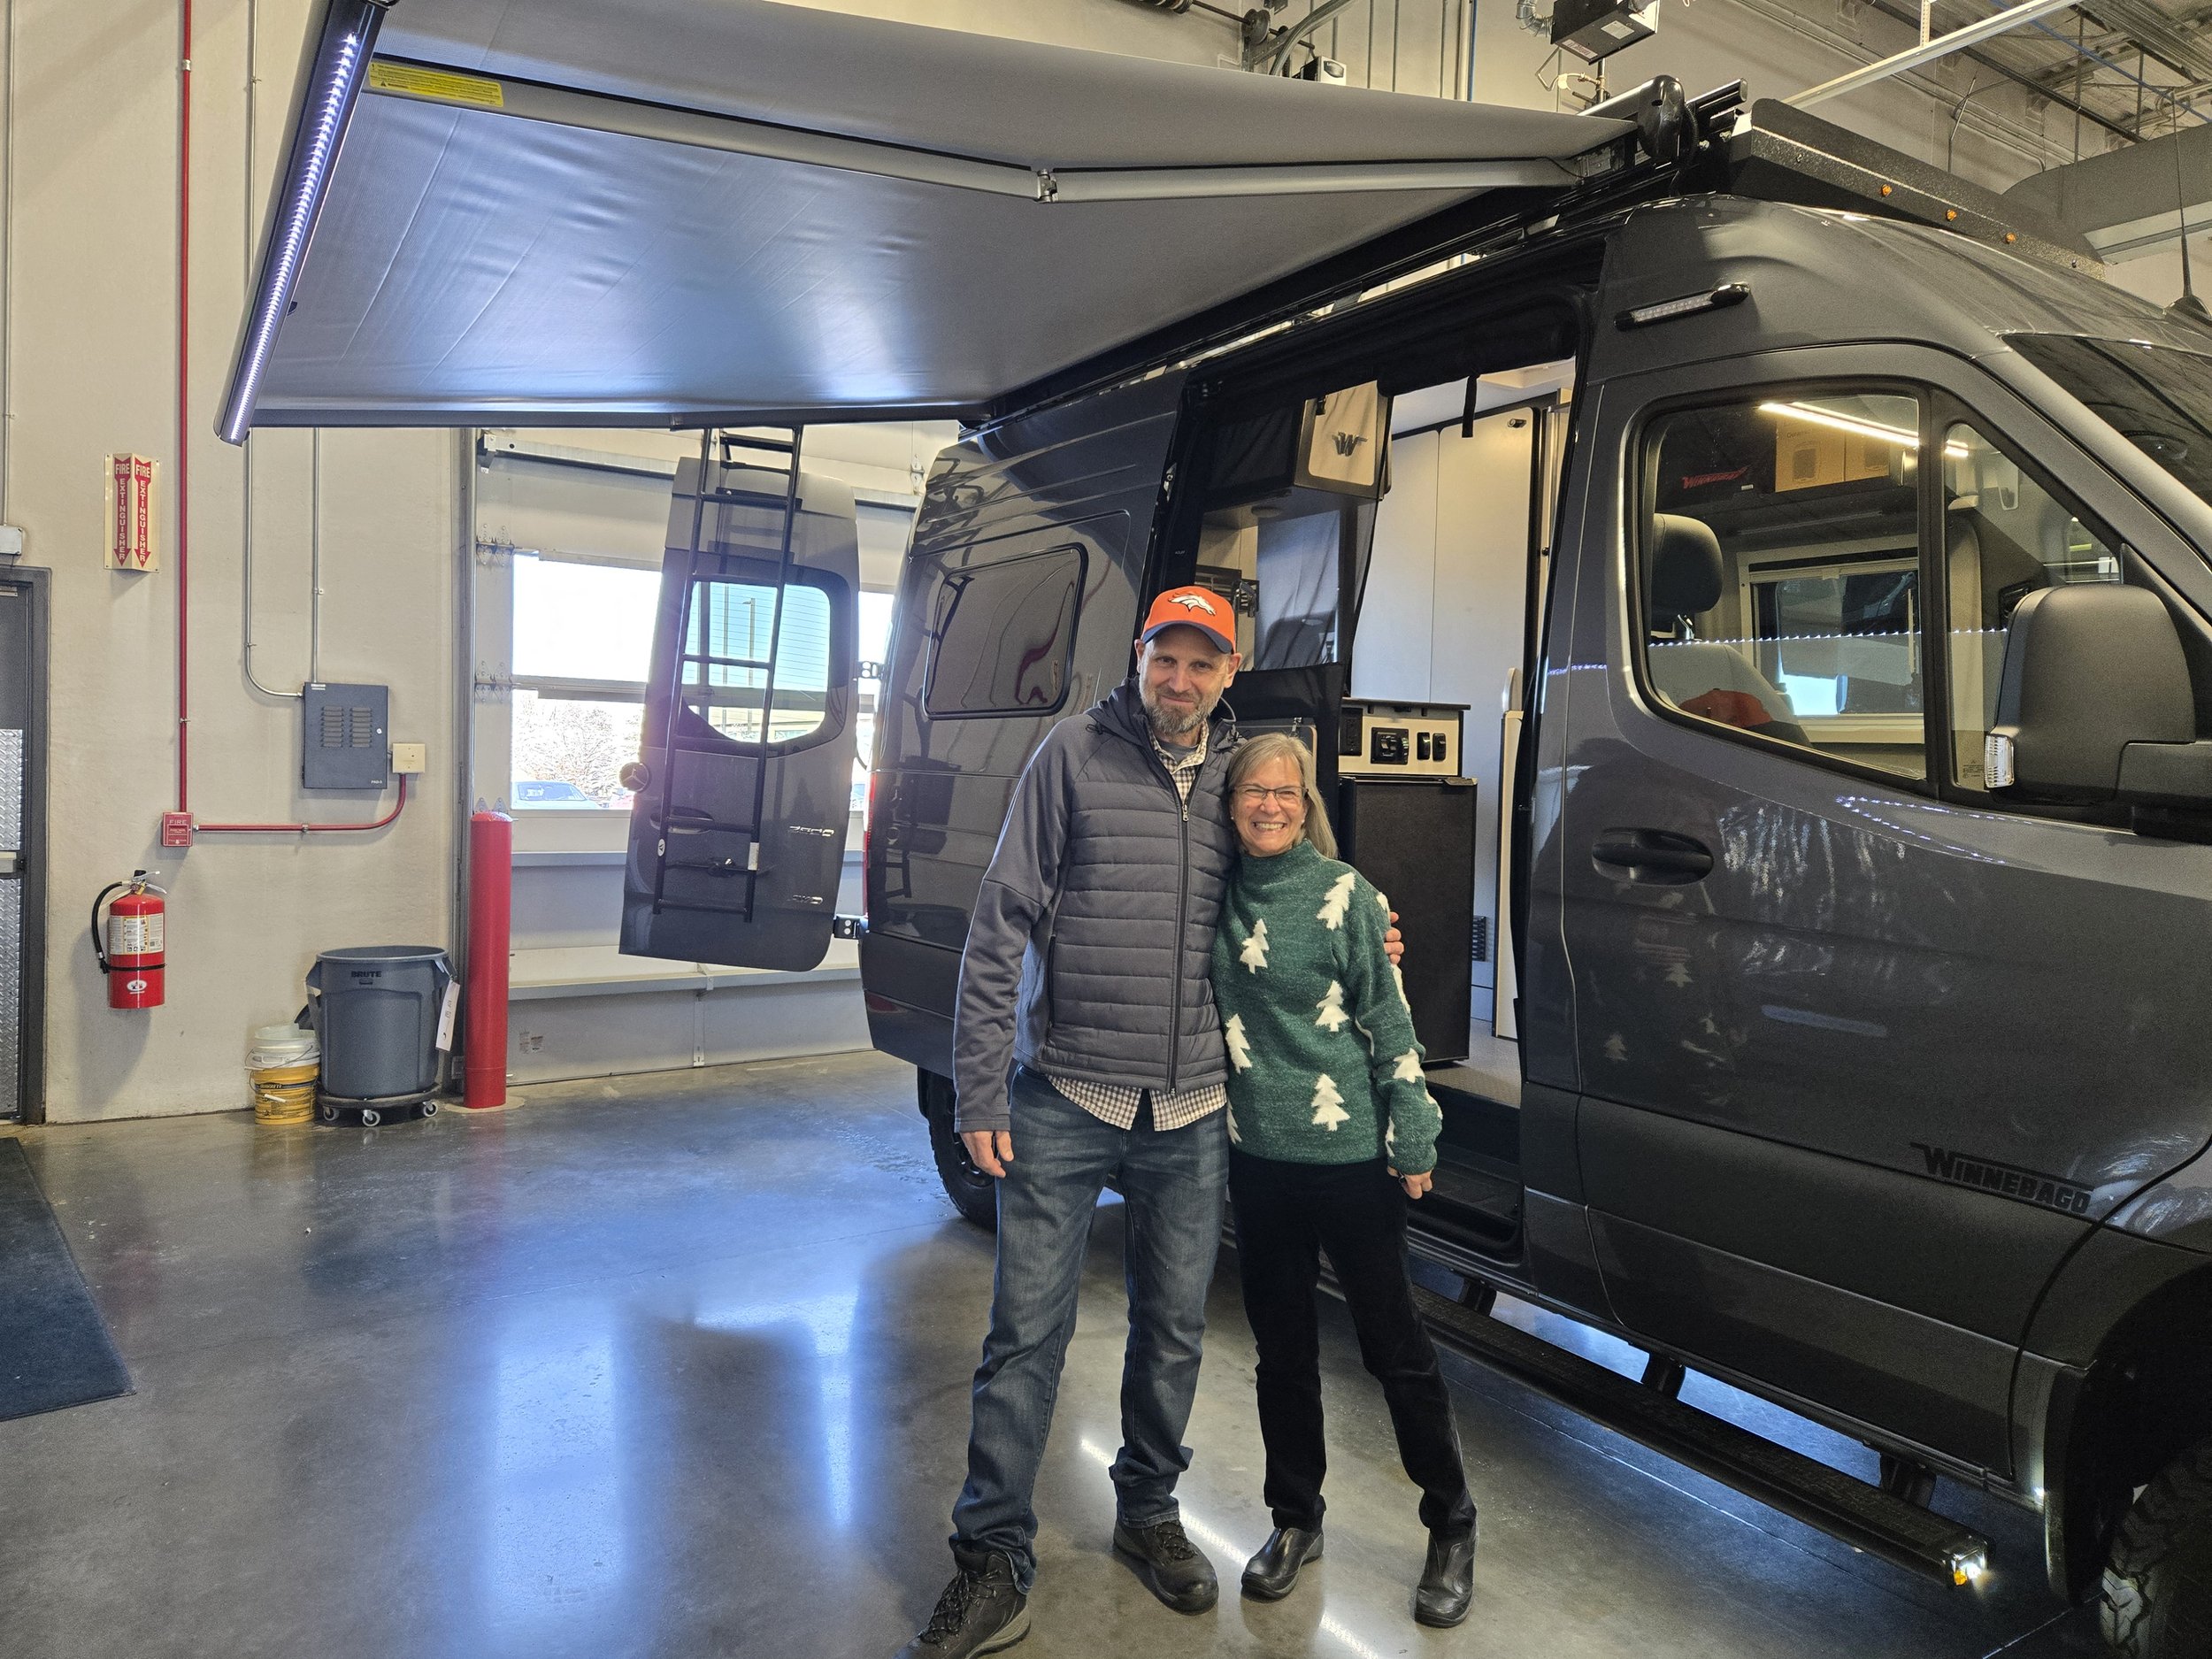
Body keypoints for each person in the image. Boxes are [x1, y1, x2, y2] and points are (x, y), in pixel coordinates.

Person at [1210, 731, 1479, 1629]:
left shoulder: (1347, 894)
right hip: (1258, 1159)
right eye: (1253, 791)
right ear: (1230, 804)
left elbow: (1388, 1021)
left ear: (1307, 804)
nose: (1269, 805)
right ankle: (1295, 1518)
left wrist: (1415, 1133)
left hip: (1351, 1162)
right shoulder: (1213, 895)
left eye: (1285, 792)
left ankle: (1451, 1521)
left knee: (1393, 1348)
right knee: (1281, 1354)